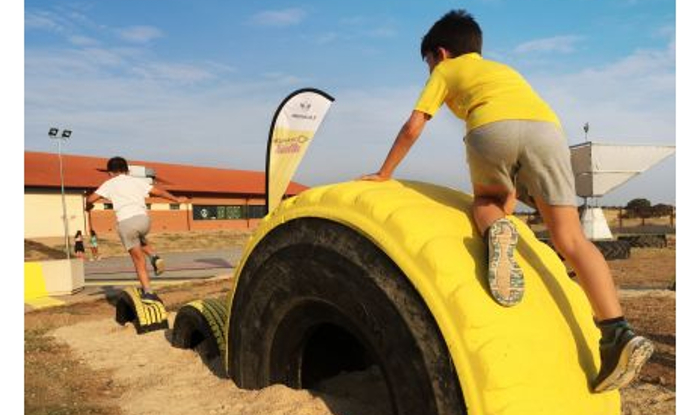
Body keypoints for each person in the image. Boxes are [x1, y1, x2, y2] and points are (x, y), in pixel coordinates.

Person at [360, 9, 653, 393]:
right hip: (546, 132)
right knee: (570, 238)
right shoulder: (505, 72)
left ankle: (495, 228)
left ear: (441, 53)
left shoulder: (446, 71)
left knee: (487, 199)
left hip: (490, 128)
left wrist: (384, 173)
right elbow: (522, 131)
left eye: (428, 63)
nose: (430, 71)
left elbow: (415, 124)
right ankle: (617, 331)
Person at [85, 156, 186, 303]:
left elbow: (90, 199)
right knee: (139, 237)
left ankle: (148, 292)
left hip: (126, 223)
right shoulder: (136, 181)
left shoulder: (109, 183)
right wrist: (176, 200)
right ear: (126, 170)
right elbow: (158, 191)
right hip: (144, 220)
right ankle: (154, 256)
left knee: (138, 261)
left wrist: (88, 207)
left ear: (110, 172)